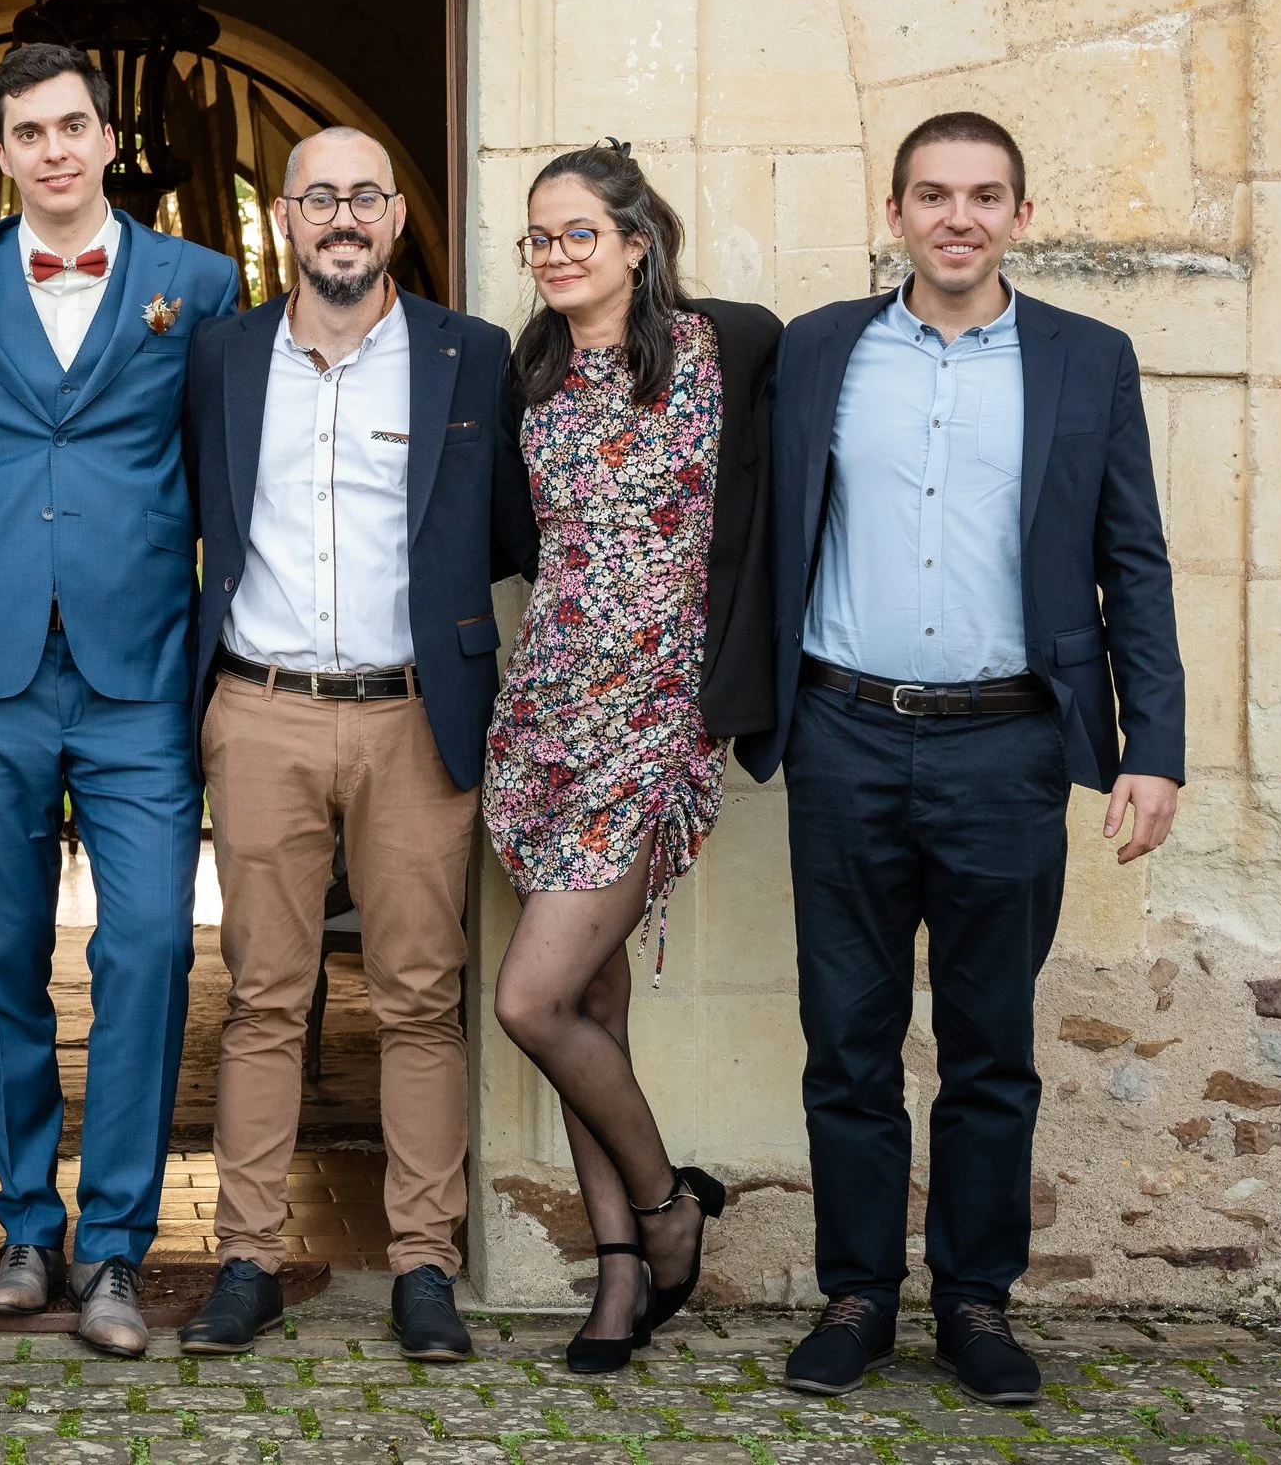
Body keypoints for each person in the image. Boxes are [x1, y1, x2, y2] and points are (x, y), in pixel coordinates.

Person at [739, 113, 1184, 1405]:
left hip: (1007, 743)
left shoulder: (1087, 361)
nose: (958, 217)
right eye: (933, 194)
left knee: (991, 1043)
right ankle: (858, 1296)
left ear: (1020, 217)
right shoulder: (819, 349)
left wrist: (1150, 745)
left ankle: (976, 1304)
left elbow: (1133, 563)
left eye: (985, 196)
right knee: (849, 1041)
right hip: (843, 735)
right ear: (896, 212)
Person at [0, 42, 239, 1356]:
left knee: (147, 948)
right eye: (28, 132)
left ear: (107, 140)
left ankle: (117, 1248)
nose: (53, 150)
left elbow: (229, 459)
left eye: (74, 127)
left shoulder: (197, 284)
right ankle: (27, 1224)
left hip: (140, 665)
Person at [175, 128, 532, 1361]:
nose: (340, 216)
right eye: (317, 197)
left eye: (363, 196)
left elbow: (511, 530)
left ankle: (424, 1265)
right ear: (281, 216)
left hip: (413, 713)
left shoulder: (469, 355)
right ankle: (247, 1260)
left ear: (392, 218)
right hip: (261, 705)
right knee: (266, 996)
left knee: (423, 997)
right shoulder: (219, 356)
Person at [481, 142, 782, 1372]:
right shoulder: (530, 367)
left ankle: (666, 1210)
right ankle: (619, 1268)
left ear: (637, 238)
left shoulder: (731, 349)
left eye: (577, 235)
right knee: (589, 1005)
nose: (555, 255)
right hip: (543, 714)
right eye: (538, 239)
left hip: (652, 720)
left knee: (529, 998)